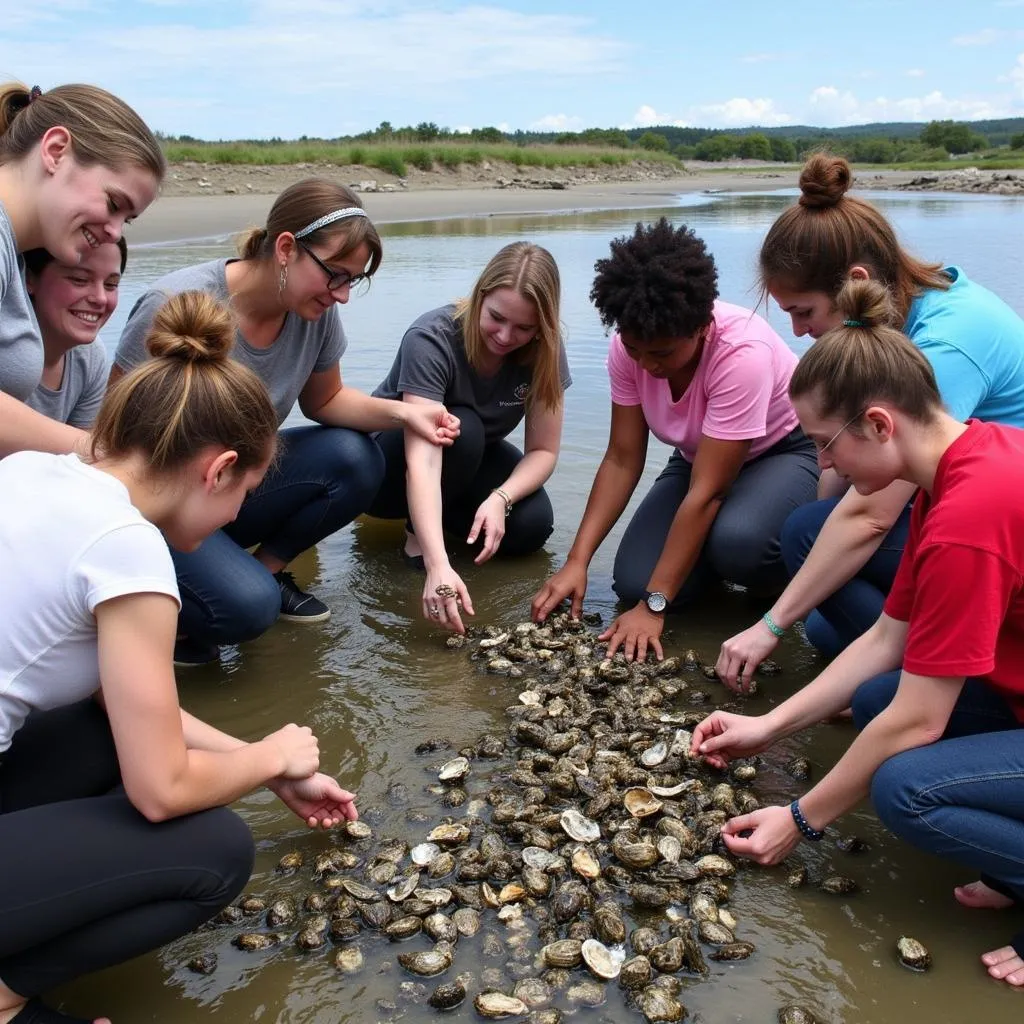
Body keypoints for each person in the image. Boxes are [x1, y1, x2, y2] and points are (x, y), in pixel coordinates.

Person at [0, 290, 358, 1024]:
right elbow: (161, 790)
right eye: (247, 493)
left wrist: (267, 761)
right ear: (218, 468)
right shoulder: (131, 550)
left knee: (98, 736)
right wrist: (274, 756)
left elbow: (120, 707)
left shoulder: (36, 470)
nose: (236, 517)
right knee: (217, 852)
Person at [692, 278, 1024, 988]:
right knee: (875, 699)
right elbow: (885, 641)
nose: (828, 466)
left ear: (879, 423)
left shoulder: (971, 517)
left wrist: (800, 820)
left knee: (906, 787)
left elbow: (918, 721)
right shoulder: (962, 465)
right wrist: (765, 726)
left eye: (826, 445)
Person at [113, 178, 458, 666]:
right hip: (163, 505)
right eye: (335, 275)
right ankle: (180, 610)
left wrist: (404, 413)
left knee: (359, 455)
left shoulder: (312, 313)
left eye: (352, 281)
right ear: (285, 248)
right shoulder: (176, 302)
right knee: (249, 609)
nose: (341, 296)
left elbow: (327, 401)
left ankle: (264, 570)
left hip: (236, 488)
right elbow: (113, 441)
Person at [716, 153, 1024, 689]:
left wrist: (770, 624)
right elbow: (840, 481)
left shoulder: (947, 344)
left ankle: (949, 679)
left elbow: (872, 517)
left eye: (804, 312)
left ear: (855, 281)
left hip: (994, 528)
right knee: (827, 619)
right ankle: (889, 655)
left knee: (809, 538)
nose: (796, 330)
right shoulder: (913, 305)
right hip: (969, 507)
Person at [532, 219, 819, 661]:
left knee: (740, 542)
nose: (647, 365)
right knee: (632, 580)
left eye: (663, 353)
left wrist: (656, 603)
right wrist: (577, 561)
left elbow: (709, 492)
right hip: (698, 457)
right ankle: (703, 568)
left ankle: (779, 581)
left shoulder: (742, 354)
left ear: (702, 326)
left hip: (784, 451)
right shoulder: (631, 345)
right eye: (635, 349)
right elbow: (623, 458)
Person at [369, 241, 568, 634]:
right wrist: (436, 563)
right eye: (496, 317)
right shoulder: (432, 337)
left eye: (524, 328)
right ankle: (416, 535)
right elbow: (423, 461)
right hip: (391, 466)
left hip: (465, 465)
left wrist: (500, 498)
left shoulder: (546, 350)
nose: (506, 336)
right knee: (464, 427)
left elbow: (544, 451)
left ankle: (448, 521)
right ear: (479, 297)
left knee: (531, 526)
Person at [0, 80, 163, 457]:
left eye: (128, 219)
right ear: (56, 150)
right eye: (113, 203)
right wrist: (101, 453)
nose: (114, 232)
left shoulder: (14, 253)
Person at [23, 238, 126, 427]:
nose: (100, 298)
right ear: (29, 278)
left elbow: (80, 451)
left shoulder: (90, 358)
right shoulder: (7, 353)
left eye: (111, 284)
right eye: (80, 279)